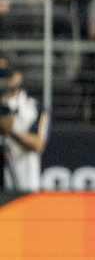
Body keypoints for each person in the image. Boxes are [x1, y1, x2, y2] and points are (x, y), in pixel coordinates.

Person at [0, 59, 49, 191]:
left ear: (17, 76)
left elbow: (38, 144)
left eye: (5, 73)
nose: (2, 78)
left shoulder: (33, 107)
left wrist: (10, 131)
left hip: (23, 180)